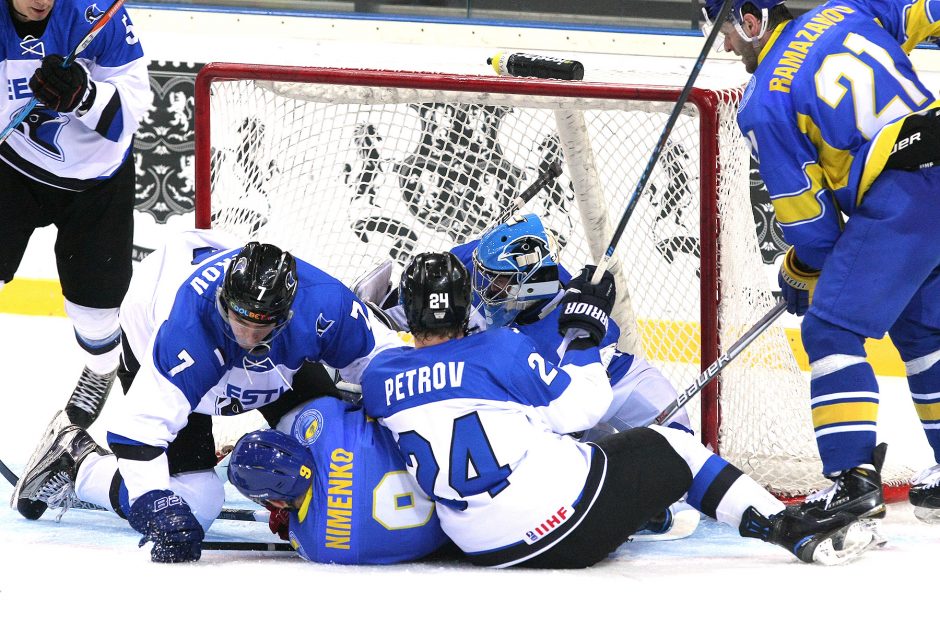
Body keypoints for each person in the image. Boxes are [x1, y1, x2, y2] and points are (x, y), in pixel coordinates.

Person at [359, 251, 878, 568]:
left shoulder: (382, 377)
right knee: (670, 445)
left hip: (478, 547)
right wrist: (584, 332)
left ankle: (650, 511)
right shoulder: (498, 348)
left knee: (562, 446)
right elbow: (586, 406)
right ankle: (784, 526)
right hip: (564, 528)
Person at [11, 235, 402, 562]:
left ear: (287, 313)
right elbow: (138, 433)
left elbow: (382, 364)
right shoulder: (187, 333)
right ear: (223, 298)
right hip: (153, 329)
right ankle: (76, 460)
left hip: (278, 364)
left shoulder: (324, 304)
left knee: (332, 435)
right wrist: (151, 503)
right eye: (239, 319)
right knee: (198, 503)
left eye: (260, 325)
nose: (247, 336)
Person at [702, 0, 940, 523]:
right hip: (930, 163)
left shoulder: (765, 100)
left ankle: (852, 483)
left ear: (750, 20)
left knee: (831, 329)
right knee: (923, 331)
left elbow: (809, 223)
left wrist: (805, 271)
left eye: (724, 30)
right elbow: (928, 11)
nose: (724, 45)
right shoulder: (842, 9)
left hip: (907, 194)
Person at [0, 0, 152, 429]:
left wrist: (84, 96)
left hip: (96, 183)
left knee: (95, 311)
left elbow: (131, 114)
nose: (41, 1)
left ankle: (101, 370)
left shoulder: (95, 13)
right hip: (12, 166)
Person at [226, 395, 454, 564]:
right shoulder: (320, 418)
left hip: (456, 537)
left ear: (275, 502)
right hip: (461, 455)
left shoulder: (312, 545)